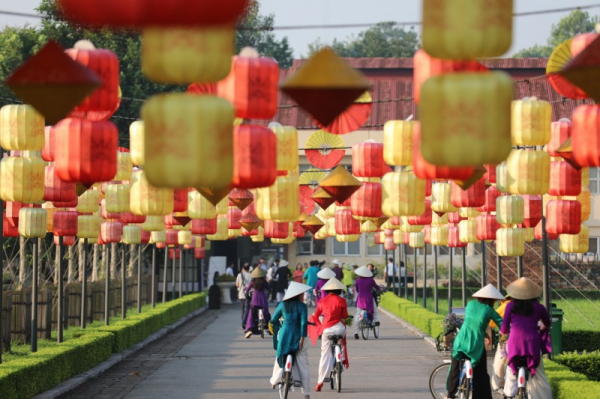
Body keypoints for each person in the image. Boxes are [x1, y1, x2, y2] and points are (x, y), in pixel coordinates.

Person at [446, 284, 504, 399]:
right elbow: (502, 325)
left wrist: (485, 334)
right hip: (475, 345)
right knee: (481, 373)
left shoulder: (470, 305)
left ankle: (450, 396)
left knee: (454, 368)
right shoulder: (489, 310)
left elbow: (473, 323)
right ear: (492, 300)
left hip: (461, 341)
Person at [501, 278, 552, 399]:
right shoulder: (539, 307)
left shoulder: (509, 306)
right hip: (532, 343)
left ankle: (508, 395)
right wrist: (540, 328)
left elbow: (503, 329)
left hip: (514, 343)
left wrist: (507, 331)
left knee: (510, 371)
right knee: (539, 372)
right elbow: (547, 323)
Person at [269, 282, 313, 399]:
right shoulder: (302, 306)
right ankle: (306, 394)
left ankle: (274, 381)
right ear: (298, 295)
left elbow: (273, 319)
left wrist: (277, 325)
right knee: (303, 364)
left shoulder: (283, 304)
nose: (303, 295)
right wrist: (302, 338)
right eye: (302, 294)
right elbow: (303, 323)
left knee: (280, 355)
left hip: (284, 336)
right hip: (298, 336)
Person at [309, 278, 349, 392]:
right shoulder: (342, 301)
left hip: (327, 330)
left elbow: (316, 316)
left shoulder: (322, 301)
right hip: (340, 329)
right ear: (339, 290)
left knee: (324, 355)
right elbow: (345, 316)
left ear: (327, 290)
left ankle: (320, 382)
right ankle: (341, 358)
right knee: (341, 344)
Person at [490, 295, 512, 393]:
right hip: (526, 338)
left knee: (500, 359)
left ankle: (498, 385)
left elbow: (491, 322)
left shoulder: (506, 305)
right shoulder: (529, 305)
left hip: (506, 337)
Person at [352, 266, 381, 339]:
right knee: (375, 310)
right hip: (369, 298)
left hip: (360, 298)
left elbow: (357, 290)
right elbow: (377, 288)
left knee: (358, 314)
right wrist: (381, 290)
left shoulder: (357, 280)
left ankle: (356, 332)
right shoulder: (371, 280)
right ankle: (376, 321)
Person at [244, 267, 272, 339]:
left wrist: (247, 296)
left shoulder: (252, 282)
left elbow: (247, 291)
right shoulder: (265, 282)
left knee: (251, 314)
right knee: (266, 312)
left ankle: (249, 329)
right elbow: (269, 289)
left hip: (255, 300)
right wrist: (267, 296)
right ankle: (268, 327)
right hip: (263, 300)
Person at [236, 263, 252, 329]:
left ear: (243, 268)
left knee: (243, 310)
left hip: (241, 295)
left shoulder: (239, 275)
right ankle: (246, 322)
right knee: (247, 309)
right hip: (249, 294)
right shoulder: (251, 275)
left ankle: (244, 321)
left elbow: (237, 284)